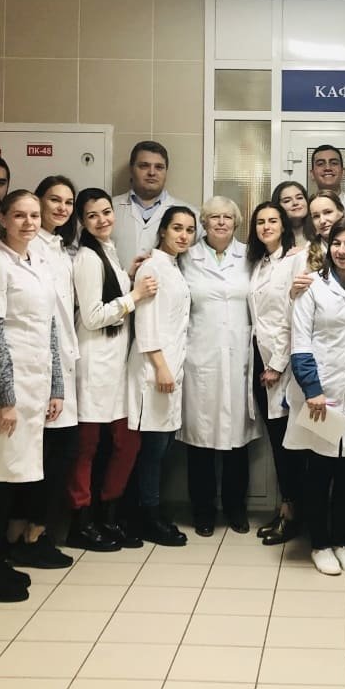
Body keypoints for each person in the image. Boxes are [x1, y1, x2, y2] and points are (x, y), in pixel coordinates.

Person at [0, 190, 64, 604]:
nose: (29, 223)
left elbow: (49, 328)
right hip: (3, 390)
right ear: (3, 219)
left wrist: (56, 386)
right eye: (19, 215)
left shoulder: (36, 263)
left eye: (34, 216)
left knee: (13, 476)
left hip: (33, 385)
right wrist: (6, 399)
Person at [68, 189, 156, 551]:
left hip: (115, 365)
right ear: (81, 221)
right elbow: (92, 317)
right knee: (87, 447)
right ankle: (81, 522)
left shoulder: (107, 251)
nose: (102, 219)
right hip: (94, 363)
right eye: (92, 215)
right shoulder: (87, 258)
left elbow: (109, 295)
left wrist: (128, 274)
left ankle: (109, 514)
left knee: (127, 442)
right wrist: (134, 296)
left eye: (106, 212)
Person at [287, 216, 345, 575]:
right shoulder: (312, 287)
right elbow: (300, 343)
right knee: (319, 473)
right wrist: (313, 390)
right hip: (321, 396)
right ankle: (320, 544)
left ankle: (343, 542)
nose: (342, 250)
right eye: (337, 243)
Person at [1, 176, 80, 570]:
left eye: (68, 202)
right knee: (42, 456)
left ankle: (33, 532)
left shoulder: (61, 249)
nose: (61, 208)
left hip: (56, 364)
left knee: (55, 454)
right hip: (36, 368)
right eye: (54, 200)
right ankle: (25, 536)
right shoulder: (29, 251)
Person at [179, 197, 260, 536]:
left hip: (239, 356)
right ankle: (203, 511)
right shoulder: (187, 257)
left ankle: (235, 508)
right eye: (215, 217)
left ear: (237, 222)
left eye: (228, 217)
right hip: (200, 357)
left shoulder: (250, 256)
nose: (222, 222)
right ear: (204, 222)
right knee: (200, 442)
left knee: (237, 443)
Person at [126, 205, 197, 546]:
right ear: (163, 231)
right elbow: (146, 322)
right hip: (155, 370)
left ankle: (148, 512)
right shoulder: (153, 267)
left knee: (162, 446)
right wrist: (160, 365)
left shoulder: (172, 266)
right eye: (177, 228)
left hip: (169, 368)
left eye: (189, 230)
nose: (183, 235)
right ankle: (146, 517)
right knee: (153, 450)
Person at [247, 200, 304, 545]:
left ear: (284, 225)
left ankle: (293, 514)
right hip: (261, 359)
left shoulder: (295, 260)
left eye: (272, 220)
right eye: (260, 222)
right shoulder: (260, 263)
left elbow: (291, 316)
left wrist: (277, 365)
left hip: (281, 366)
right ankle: (287, 509)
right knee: (277, 442)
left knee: (289, 446)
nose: (266, 226)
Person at [112, 140, 197, 273]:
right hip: (117, 286)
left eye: (159, 167)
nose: (152, 172)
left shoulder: (190, 215)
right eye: (144, 166)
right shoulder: (108, 210)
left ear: (166, 171)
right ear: (131, 169)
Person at [310, 143, 345, 216]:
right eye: (320, 164)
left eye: (334, 163)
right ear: (312, 174)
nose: (328, 168)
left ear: (343, 172)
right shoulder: (305, 212)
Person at [272, 180, 311, 249]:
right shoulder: (273, 238)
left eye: (299, 198)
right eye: (287, 201)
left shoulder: (320, 231)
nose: (295, 203)